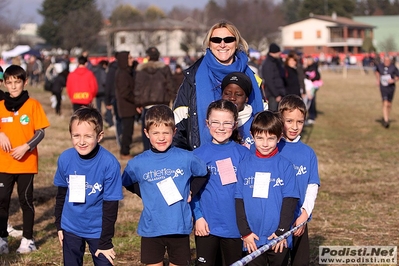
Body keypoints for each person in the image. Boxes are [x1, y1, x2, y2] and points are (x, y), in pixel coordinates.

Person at [121, 105, 208, 266]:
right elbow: (126, 181)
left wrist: (191, 190)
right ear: (147, 133)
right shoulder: (137, 163)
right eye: (155, 133)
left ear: (174, 132)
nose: (161, 138)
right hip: (151, 228)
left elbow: (203, 173)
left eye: (165, 133)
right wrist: (145, 192)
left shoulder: (186, 158)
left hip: (179, 226)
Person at [173, 20, 264, 151]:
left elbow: (265, 120)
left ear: (236, 43)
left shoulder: (252, 77)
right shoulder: (193, 78)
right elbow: (178, 125)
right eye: (216, 40)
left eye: (228, 39)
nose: (222, 44)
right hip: (203, 158)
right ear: (209, 44)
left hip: (246, 155)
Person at [53, 106, 123, 266]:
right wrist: (59, 225)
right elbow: (61, 194)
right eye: (76, 135)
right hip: (70, 226)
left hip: (97, 231)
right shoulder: (65, 158)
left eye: (88, 136)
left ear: (99, 136)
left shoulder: (109, 163)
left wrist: (105, 240)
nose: (82, 141)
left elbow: (111, 205)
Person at [191, 99, 251, 266]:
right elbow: (192, 192)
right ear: (207, 123)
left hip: (235, 227)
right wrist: (198, 217)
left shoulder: (244, 154)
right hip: (207, 226)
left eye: (227, 123)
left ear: (235, 124)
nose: (221, 127)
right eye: (215, 122)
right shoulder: (197, 155)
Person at [235, 110, 299, 266]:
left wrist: (281, 232)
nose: (265, 144)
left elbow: (290, 201)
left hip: (277, 239)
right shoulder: (245, 165)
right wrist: (246, 233)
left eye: (270, 139)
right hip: (253, 239)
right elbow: (239, 201)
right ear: (252, 136)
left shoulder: (285, 166)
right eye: (260, 138)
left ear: (279, 138)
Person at [0, 65, 50, 254]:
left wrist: (26, 147)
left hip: (26, 163)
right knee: (2, 200)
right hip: (3, 163)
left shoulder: (33, 105)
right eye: (9, 83)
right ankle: (2, 238)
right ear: (5, 83)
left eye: (17, 82)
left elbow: (40, 132)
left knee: (26, 201)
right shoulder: (0, 105)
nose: (13, 87)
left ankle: (28, 239)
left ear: (25, 82)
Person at [277, 95, 320, 266]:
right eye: (289, 121)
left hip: (299, 218)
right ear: (280, 119)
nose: (294, 127)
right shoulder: (272, 147)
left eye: (300, 122)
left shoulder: (308, 153)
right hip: (277, 220)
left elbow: (312, 185)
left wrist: (305, 213)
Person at [134, 46, 174, 150]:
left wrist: (138, 103)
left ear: (147, 56)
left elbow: (138, 87)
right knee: (164, 130)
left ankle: (147, 152)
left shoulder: (141, 70)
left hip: (146, 104)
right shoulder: (165, 68)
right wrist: (173, 100)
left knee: (148, 130)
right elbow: (170, 85)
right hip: (163, 102)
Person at [221, 72, 255, 150]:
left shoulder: (255, 124)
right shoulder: (213, 124)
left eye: (238, 94)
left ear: (246, 98)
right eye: (227, 93)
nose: (232, 98)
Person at [115, 51, 137, 159]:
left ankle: (125, 150)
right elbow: (125, 92)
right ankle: (124, 152)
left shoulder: (127, 72)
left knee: (129, 130)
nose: (132, 60)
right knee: (127, 131)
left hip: (129, 107)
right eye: (129, 58)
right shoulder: (122, 74)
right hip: (126, 107)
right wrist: (136, 100)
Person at [375, 55, 399, 128]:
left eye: (388, 61)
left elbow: (398, 76)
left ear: (390, 61)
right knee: (385, 102)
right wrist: (378, 79)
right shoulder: (380, 66)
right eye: (385, 61)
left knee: (389, 104)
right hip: (383, 87)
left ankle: (387, 117)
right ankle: (386, 120)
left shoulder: (393, 67)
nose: (386, 62)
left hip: (391, 87)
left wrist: (393, 80)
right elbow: (377, 72)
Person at [261, 43, 285, 111]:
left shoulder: (276, 62)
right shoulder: (268, 64)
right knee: (273, 113)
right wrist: (276, 94)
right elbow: (269, 81)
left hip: (279, 92)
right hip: (273, 94)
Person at [105, 53, 122, 146]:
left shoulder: (111, 69)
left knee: (118, 119)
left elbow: (108, 84)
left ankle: (120, 138)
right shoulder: (125, 68)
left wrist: (107, 100)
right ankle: (122, 137)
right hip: (119, 97)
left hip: (114, 96)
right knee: (122, 119)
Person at [93, 60, 113, 127]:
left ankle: (98, 123)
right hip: (103, 92)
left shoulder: (95, 71)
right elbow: (104, 81)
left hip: (96, 92)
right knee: (108, 107)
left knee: (98, 109)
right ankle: (110, 122)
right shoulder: (103, 71)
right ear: (104, 64)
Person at [304, 56, 322, 125]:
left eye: (308, 60)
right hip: (310, 86)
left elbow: (317, 76)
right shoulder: (309, 67)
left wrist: (310, 78)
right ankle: (312, 115)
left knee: (311, 101)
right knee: (310, 100)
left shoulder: (313, 67)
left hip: (312, 87)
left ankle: (312, 116)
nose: (307, 62)